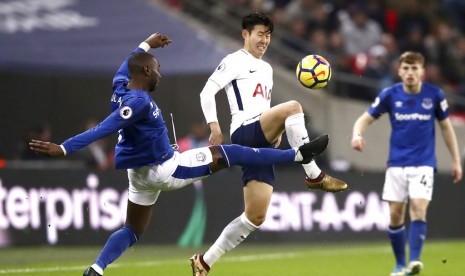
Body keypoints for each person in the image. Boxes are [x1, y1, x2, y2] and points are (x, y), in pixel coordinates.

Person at [28, 32, 330, 276]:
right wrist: (64, 147)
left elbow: (127, 62)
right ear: (146, 71)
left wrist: (148, 43)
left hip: (140, 175)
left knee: (132, 229)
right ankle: (298, 157)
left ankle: (97, 268)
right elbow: (104, 128)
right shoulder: (138, 102)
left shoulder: (119, 85)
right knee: (232, 152)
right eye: (157, 68)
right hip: (166, 169)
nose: (160, 73)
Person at [192, 11, 348, 275]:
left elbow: (262, 105)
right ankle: (314, 175)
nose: (264, 40)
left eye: (268, 35)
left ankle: (204, 261)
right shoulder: (235, 60)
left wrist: (275, 132)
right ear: (245, 34)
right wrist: (214, 126)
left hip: (261, 140)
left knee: (255, 217)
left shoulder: (267, 68)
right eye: (259, 34)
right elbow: (206, 92)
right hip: (244, 131)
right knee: (294, 106)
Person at [351, 51, 462, 276]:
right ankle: (400, 265)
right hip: (397, 164)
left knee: (419, 209)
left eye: (415, 68)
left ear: (422, 71)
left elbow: (446, 128)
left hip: (423, 163)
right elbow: (365, 118)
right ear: (399, 71)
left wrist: (456, 161)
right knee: (395, 215)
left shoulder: (435, 95)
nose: (410, 73)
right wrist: (356, 134)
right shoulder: (390, 95)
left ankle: (415, 261)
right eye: (406, 69)